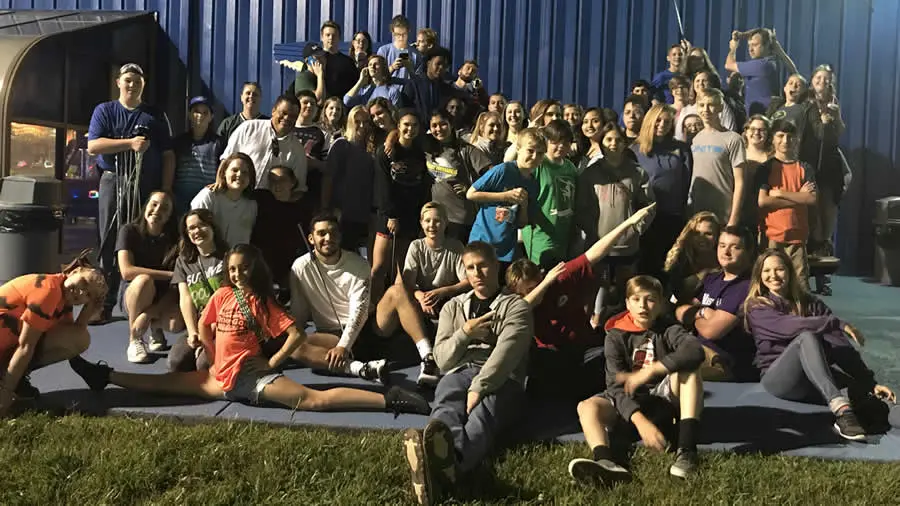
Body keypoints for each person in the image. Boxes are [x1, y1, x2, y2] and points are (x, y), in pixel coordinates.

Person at [69, 244, 431, 416]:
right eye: (232, 269)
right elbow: (205, 324)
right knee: (160, 385)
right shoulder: (221, 294)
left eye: (243, 268)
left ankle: (389, 398)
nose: (237, 273)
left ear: (253, 269)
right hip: (218, 379)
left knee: (314, 400)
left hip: (251, 379)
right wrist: (210, 351)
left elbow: (295, 335)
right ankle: (105, 376)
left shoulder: (261, 301)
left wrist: (272, 363)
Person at [402, 241, 533, 506]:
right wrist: (465, 334)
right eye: (470, 268)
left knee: (483, 412)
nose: (477, 273)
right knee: (447, 401)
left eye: (482, 266)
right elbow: (441, 359)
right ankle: (443, 465)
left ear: (496, 266)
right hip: (459, 371)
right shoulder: (453, 307)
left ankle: (449, 465)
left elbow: (506, 355)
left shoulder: (516, 307)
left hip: (503, 379)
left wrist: (479, 388)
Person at [744, 249, 896, 440]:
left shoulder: (811, 303)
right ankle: (842, 412)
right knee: (806, 337)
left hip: (815, 376)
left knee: (875, 399)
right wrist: (835, 322)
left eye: (779, 269)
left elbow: (839, 344)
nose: (773, 275)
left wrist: (868, 382)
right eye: (766, 271)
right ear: (759, 276)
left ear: (789, 271)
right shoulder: (757, 307)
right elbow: (789, 326)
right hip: (779, 380)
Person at [508, 204, 655, 401]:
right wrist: (545, 284)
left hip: (584, 350)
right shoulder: (518, 304)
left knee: (608, 357)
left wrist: (628, 223)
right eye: (525, 292)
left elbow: (595, 253)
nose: (533, 294)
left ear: (540, 276)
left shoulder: (560, 277)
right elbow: (524, 305)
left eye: (534, 287)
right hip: (551, 357)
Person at [568, 275, 705, 484]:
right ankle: (605, 462)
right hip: (628, 400)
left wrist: (651, 370)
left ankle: (687, 451)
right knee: (586, 407)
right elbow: (615, 387)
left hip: (662, 396)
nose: (643, 306)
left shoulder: (668, 328)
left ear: (661, 304)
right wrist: (640, 422)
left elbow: (695, 350)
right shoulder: (615, 335)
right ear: (627, 303)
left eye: (650, 300)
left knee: (689, 372)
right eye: (636, 299)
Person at [87, 63, 175, 325]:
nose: (132, 85)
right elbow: (93, 146)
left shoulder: (155, 115)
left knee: (140, 238)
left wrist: (165, 189)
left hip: (145, 185)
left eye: (137, 81)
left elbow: (168, 155)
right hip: (113, 181)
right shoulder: (105, 111)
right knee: (109, 240)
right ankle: (103, 303)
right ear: (118, 82)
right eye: (128, 80)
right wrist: (130, 143)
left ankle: (140, 299)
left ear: (143, 84)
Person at [0, 252, 107, 414]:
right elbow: (25, 346)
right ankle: (8, 380)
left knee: (80, 339)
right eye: (83, 283)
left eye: (88, 295)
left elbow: (74, 336)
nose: (81, 293)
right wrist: (6, 392)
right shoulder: (49, 290)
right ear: (74, 271)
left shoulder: (63, 303)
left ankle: (10, 375)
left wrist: (89, 310)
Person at [289, 214, 390, 383]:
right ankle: (362, 369)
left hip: (360, 332)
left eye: (333, 233)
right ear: (311, 239)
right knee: (291, 346)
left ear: (340, 236)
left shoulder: (359, 264)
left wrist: (343, 346)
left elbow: (359, 311)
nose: (328, 238)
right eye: (322, 233)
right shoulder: (300, 267)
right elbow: (299, 310)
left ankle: (357, 364)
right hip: (329, 334)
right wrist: (292, 334)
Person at [380, 202, 470, 385]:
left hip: (447, 299)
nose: (432, 225)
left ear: (445, 223)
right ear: (421, 223)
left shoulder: (456, 246)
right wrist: (421, 297)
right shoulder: (416, 246)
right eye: (427, 221)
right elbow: (407, 283)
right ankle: (428, 357)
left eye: (437, 221)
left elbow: (467, 281)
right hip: (421, 299)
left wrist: (442, 291)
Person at [576, 122, 653, 328]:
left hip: (627, 245)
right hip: (598, 243)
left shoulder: (637, 172)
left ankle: (624, 328)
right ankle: (590, 328)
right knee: (595, 288)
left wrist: (636, 229)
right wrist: (592, 231)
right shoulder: (590, 173)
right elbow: (580, 207)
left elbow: (649, 205)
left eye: (618, 139)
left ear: (624, 143)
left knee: (625, 290)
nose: (613, 144)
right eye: (608, 139)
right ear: (601, 142)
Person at [675, 226, 758, 382]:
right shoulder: (712, 279)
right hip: (696, 349)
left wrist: (696, 312)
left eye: (735, 247)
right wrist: (704, 313)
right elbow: (680, 312)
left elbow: (711, 331)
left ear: (748, 252)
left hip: (723, 363)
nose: (726, 252)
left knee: (669, 371)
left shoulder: (746, 287)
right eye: (722, 245)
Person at [372, 109, 433, 303]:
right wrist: (391, 215)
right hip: (389, 216)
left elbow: (423, 184)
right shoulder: (386, 152)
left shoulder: (420, 152)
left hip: (411, 215)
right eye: (406, 124)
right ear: (398, 126)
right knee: (379, 267)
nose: (410, 129)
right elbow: (382, 186)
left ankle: (397, 306)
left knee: (401, 268)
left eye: (414, 125)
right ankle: (373, 306)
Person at [116, 191, 183, 363]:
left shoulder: (176, 240)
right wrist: (170, 275)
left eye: (165, 208)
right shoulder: (128, 231)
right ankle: (135, 340)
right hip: (133, 294)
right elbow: (126, 271)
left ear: (170, 216)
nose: (157, 210)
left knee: (175, 324)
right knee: (144, 280)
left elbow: (177, 284)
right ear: (146, 206)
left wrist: (148, 313)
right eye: (154, 204)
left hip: (163, 296)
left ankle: (154, 326)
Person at [466, 128, 543, 275]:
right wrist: (505, 196)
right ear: (518, 149)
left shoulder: (533, 183)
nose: (534, 157)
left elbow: (522, 223)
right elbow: (471, 194)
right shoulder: (503, 170)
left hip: (507, 250)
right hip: (483, 241)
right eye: (530, 151)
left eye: (540, 153)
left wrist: (524, 205)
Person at [632, 104, 692, 281]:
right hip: (645, 218)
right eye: (658, 120)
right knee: (645, 268)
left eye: (667, 121)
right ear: (649, 120)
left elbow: (687, 182)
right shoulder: (634, 150)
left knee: (669, 269)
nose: (662, 125)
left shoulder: (681, 149)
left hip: (673, 217)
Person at [757, 119, 816, 290]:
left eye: (790, 136)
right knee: (771, 282)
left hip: (797, 237)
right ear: (773, 138)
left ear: (796, 139)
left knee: (801, 284)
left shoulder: (805, 168)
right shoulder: (766, 168)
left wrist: (781, 193)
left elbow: (811, 199)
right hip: (772, 236)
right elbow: (763, 201)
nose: (785, 140)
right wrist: (798, 196)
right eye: (780, 136)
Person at [168, 209, 227, 372]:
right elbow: (185, 298)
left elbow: (229, 300)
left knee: (204, 364)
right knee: (176, 363)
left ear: (213, 227)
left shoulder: (228, 256)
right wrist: (193, 332)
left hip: (225, 323)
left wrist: (207, 334)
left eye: (202, 225)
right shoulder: (183, 261)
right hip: (200, 324)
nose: (197, 231)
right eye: (191, 228)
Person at [424, 110, 492, 242]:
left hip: (460, 219)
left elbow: (492, 174)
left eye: (443, 124)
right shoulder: (427, 148)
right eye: (434, 125)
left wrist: (472, 189)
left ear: (451, 124)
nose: (439, 129)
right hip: (435, 218)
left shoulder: (465, 149)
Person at [521, 119, 579, 268]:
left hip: (563, 234)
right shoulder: (538, 164)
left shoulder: (570, 167)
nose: (561, 146)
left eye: (565, 143)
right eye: (555, 142)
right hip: (541, 234)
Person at [220, 94, 307, 192]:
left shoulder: (297, 150)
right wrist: (219, 185)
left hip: (270, 199)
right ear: (273, 111)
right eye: (283, 113)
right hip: (240, 195)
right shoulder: (248, 128)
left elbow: (299, 188)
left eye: (292, 116)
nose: (287, 118)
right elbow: (226, 160)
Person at [688, 89, 747, 228]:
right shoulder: (695, 139)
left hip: (722, 215)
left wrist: (733, 219)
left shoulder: (733, 139)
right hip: (697, 214)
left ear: (720, 107)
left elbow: (740, 182)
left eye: (711, 105)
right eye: (702, 105)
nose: (706, 110)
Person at [325, 105, 377, 252]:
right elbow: (328, 178)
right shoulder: (341, 145)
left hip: (363, 214)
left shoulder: (371, 149)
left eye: (366, 122)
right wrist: (326, 209)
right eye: (357, 121)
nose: (362, 126)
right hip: (341, 213)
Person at [251, 166, 307, 293]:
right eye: (272, 180)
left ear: (292, 182)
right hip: (262, 264)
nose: (277, 184)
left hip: (287, 267)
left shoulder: (300, 210)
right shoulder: (261, 199)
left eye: (282, 179)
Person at [190, 153, 258, 248]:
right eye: (235, 170)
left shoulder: (251, 205)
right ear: (224, 172)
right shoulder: (208, 196)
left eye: (245, 172)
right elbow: (194, 231)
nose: (239, 175)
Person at [725, 28, 797, 116]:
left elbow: (728, 65)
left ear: (766, 45)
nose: (750, 49)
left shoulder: (762, 65)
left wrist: (733, 48)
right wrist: (743, 35)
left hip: (761, 117)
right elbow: (794, 72)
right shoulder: (774, 62)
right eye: (749, 45)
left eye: (755, 45)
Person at [172, 96, 222, 217]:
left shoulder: (218, 143)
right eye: (196, 111)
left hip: (206, 200)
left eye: (205, 112)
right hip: (181, 201)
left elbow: (223, 166)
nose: (200, 115)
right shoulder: (178, 142)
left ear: (211, 117)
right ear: (189, 115)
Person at [664, 212, 721, 303]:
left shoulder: (724, 257)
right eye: (697, 233)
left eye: (708, 234)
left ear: (718, 236)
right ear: (690, 234)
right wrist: (705, 273)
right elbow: (679, 292)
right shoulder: (680, 258)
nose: (702, 238)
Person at [343, 55, 410, 109]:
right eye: (370, 64)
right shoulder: (363, 90)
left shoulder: (392, 91)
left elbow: (396, 115)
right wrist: (361, 81)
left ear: (383, 68)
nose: (372, 66)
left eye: (376, 64)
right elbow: (347, 101)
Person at [377, 15, 421, 80]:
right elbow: (378, 78)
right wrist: (392, 67)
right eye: (398, 34)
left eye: (404, 34)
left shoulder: (416, 54)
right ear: (393, 33)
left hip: (408, 86)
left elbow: (419, 81)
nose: (401, 37)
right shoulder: (384, 51)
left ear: (408, 31)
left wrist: (410, 69)